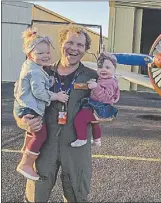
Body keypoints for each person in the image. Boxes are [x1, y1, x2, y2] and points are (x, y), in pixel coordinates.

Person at [13, 24, 98, 202]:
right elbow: (19, 102)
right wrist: (23, 121)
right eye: (70, 42)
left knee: (76, 194)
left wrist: (104, 115)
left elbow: (109, 107)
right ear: (61, 44)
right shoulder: (39, 71)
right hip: (44, 148)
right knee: (36, 195)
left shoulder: (93, 77)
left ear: (85, 49)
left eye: (80, 45)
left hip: (76, 150)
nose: (74, 48)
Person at [14, 28, 69, 181]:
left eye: (47, 53)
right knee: (40, 133)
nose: (45, 56)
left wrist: (48, 81)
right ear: (29, 53)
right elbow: (39, 93)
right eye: (40, 53)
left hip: (25, 105)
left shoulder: (32, 66)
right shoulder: (36, 71)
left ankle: (26, 150)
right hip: (31, 107)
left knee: (33, 132)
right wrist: (56, 96)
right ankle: (26, 163)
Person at [71, 52, 120, 147]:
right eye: (100, 67)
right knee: (94, 123)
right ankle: (97, 140)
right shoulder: (105, 79)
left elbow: (105, 96)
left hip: (100, 107)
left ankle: (82, 138)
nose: (103, 70)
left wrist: (96, 87)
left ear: (114, 69)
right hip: (97, 105)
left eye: (107, 67)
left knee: (80, 119)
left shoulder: (110, 82)